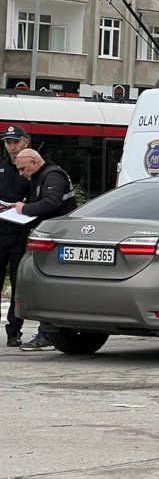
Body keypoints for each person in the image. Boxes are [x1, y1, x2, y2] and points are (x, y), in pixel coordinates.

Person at [11, 148, 77, 351]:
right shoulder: (44, 175)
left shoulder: (52, 176)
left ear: (34, 162)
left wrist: (25, 209)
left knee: (48, 286)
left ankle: (47, 333)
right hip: (55, 237)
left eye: (23, 169)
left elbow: (51, 202)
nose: (21, 174)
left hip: (57, 238)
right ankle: (48, 332)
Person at [0, 126, 32, 348]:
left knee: (19, 285)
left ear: (26, 142)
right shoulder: (0, 167)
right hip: (0, 233)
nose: (11, 146)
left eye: (15, 142)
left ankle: (14, 331)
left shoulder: (30, 169)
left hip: (20, 234)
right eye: (8, 142)